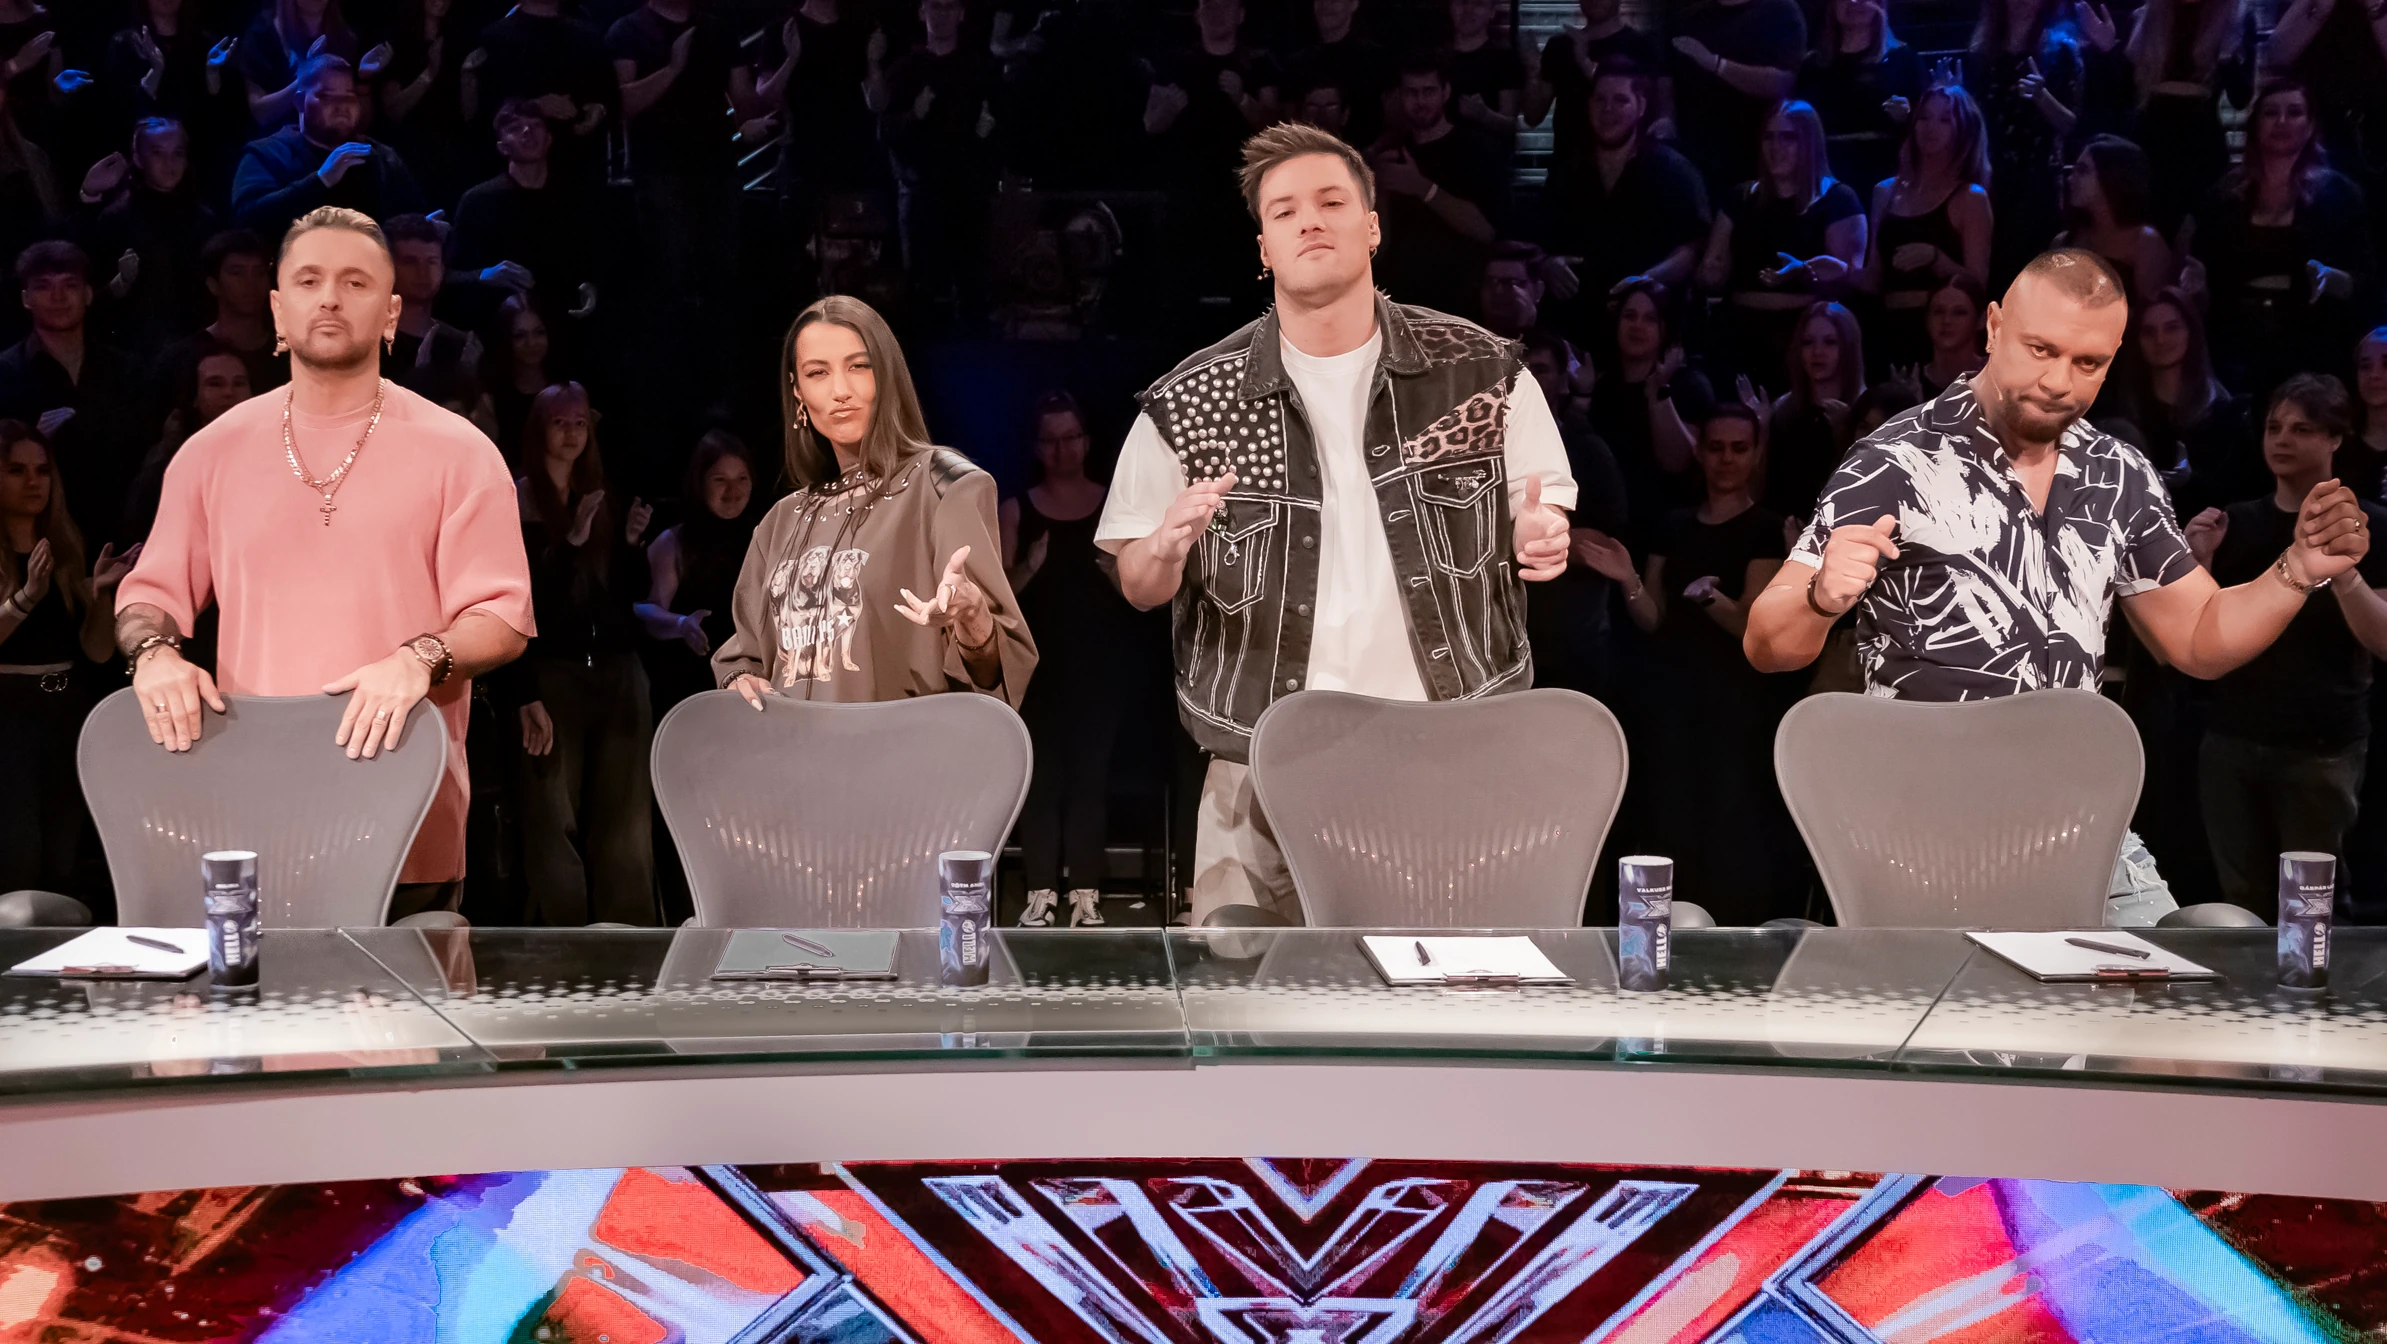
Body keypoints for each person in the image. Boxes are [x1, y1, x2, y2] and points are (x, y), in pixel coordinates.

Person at [1745, 248, 2373, 925]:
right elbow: (1764, 642)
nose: (2057, 382)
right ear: (1993, 327)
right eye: (2040, 350)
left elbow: (2196, 637)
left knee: (2185, 966)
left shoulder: (2117, 472)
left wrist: (2296, 570)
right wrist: (1819, 599)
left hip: (2081, 827)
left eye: (2087, 363)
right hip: (1927, 829)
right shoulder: (1894, 461)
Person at [1095, 122, 1579, 921]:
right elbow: (1138, 583)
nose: (1309, 222)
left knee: (1444, 980)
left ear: (1372, 226)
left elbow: (1540, 506)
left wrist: (1538, 533)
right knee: (1246, 985)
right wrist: (1164, 549)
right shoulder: (1194, 402)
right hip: (1260, 759)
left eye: (1330, 202)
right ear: (1263, 248)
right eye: (1284, 212)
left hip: (1446, 747)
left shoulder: (1478, 372)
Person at [114, 205, 534, 918]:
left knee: (405, 994)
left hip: (404, 809)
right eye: (308, 281)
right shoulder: (211, 453)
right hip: (253, 815)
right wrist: (154, 654)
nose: (331, 298)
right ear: (278, 309)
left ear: (392, 312)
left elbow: (503, 618)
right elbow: (147, 595)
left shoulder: (460, 453)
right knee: (257, 995)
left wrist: (419, 658)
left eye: (355, 282)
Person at [714, 295, 1035, 711]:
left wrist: (973, 619)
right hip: (793, 748)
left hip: (900, 746)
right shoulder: (781, 521)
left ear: (886, 374)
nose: (841, 391)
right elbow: (744, 656)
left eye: (858, 366)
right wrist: (739, 679)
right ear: (798, 392)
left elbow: (996, 675)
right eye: (818, 373)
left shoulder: (941, 486)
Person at [1578, 403, 1792, 921]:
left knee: (1728, 821)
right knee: (1668, 816)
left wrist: (1708, 598)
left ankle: (1731, 945)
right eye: (1716, 447)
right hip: (1670, 696)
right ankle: (1658, 939)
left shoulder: (1765, 528)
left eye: (1739, 448)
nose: (1726, 459)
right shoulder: (1672, 525)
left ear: (1756, 453)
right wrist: (1628, 579)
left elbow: (1751, 626)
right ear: (1699, 451)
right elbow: (1653, 617)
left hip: (1735, 702)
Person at [2182, 374, 2387, 913]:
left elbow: (2382, 638)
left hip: (2322, 744)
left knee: (2311, 903)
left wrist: (2344, 573)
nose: (2282, 439)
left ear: (2335, 438)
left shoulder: (2369, 526)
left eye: (2302, 429)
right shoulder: (2234, 523)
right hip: (2233, 737)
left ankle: (2318, 975)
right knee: (2241, 902)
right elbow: (2198, 631)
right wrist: (2199, 559)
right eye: (2274, 427)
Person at [509, 381, 655, 927]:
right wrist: (569, 543)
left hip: (615, 667)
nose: (571, 433)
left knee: (625, 820)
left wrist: (632, 546)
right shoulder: (518, 500)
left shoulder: (599, 495)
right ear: (539, 429)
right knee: (553, 817)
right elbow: (522, 603)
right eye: (560, 422)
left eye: (579, 423)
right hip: (552, 673)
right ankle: (563, 942)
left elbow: (624, 596)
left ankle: (628, 942)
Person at [1003, 392, 1136, 928]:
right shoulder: (1018, 508)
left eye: (1070, 437)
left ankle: (1085, 891)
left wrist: (1114, 572)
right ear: (1038, 447)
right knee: (1040, 778)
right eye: (1051, 440)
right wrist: (1030, 567)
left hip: (1101, 669)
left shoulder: (1112, 504)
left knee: (1089, 777)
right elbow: (996, 600)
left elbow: (1143, 594)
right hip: (1037, 671)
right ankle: (1040, 892)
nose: (1062, 449)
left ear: (1086, 441)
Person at [0, 426, 135, 904]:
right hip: (8, 714)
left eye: (42, 471)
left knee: (63, 854)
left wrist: (101, 596)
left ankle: (59, 946)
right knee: (18, 850)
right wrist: (25, 598)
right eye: (15, 470)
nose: (33, 482)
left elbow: (97, 652)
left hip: (66, 710)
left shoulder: (64, 543)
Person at [2186, 80, 2373, 401]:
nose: (2282, 121)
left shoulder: (2341, 195)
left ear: (2310, 125)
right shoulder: (2224, 195)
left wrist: (2331, 278)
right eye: (2271, 112)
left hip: (2312, 344)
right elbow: (2202, 271)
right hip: (2235, 346)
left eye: (2294, 112)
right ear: (2255, 124)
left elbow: (2367, 279)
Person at [1538, 61, 1709, 340]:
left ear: (1641, 107)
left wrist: (1645, 282)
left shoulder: (1675, 172)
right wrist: (1547, 264)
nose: (1608, 109)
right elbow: (1539, 239)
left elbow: (1693, 248)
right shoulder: (1567, 172)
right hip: (1576, 324)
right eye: (1600, 99)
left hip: (1648, 325)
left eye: (1620, 100)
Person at [1697, 99, 1865, 384]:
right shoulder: (1741, 197)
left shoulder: (1838, 200)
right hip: (1739, 330)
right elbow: (1711, 270)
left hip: (1803, 334)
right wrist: (1710, 273)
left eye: (1788, 138)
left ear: (1810, 143)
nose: (1776, 147)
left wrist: (1806, 271)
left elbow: (1852, 279)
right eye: (1769, 137)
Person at [0, 241, 139, 550]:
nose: (58, 296)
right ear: (25, 298)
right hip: (36, 540)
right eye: (43, 286)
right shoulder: (6, 372)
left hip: (124, 533)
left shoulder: (126, 369)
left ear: (88, 294)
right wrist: (31, 444)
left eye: (70, 285)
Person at [877, 0, 998, 321]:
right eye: (935, 7)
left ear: (962, 13)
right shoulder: (904, 70)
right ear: (921, 12)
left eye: (948, 7)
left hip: (967, 194)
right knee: (921, 292)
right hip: (920, 195)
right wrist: (914, 115)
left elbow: (1002, 128)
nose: (941, 15)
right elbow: (885, 132)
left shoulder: (980, 69)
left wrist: (987, 133)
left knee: (972, 291)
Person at [1858, 83, 1993, 369]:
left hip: (1943, 333)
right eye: (1924, 117)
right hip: (1888, 327)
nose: (1931, 127)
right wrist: (1837, 272)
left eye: (1944, 120)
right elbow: (1873, 276)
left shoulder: (1970, 198)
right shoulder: (1885, 192)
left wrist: (1936, 259)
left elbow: (1976, 285)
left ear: (1964, 129)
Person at [446, 99, 600, 341]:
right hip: (502, 328)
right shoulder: (479, 201)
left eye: (536, 125)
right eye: (515, 128)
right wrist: (485, 275)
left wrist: (591, 285)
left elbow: (594, 256)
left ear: (549, 139)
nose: (528, 131)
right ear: (502, 147)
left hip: (566, 324)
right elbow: (451, 274)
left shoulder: (575, 196)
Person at [230, 55, 425, 241]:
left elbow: (412, 218)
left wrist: (428, 227)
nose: (341, 105)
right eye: (326, 96)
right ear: (300, 102)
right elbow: (247, 219)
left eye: (349, 96)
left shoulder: (381, 157)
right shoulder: (268, 154)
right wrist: (321, 180)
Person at [1370, 57, 1506, 320]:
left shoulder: (1478, 149)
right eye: (1411, 92)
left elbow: (1487, 231)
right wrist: (1381, 190)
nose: (1420, 101)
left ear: (1446, 92)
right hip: (1400, 300)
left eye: (1429, 91)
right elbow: (1378, 244)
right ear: (1399, 96)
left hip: (1460, 301)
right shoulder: (1391, 151)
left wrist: (1422, 187)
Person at [2102, 284, 2251, 514]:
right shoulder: (2122, 411)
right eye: (2149, 332)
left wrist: (2191, 481)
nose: (2160, 339)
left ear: (2191, 332)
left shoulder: (2224, 412)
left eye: (2172, 328)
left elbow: (2237, 491)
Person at [636, 429, 756, 712]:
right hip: (692, 688)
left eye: (742, 478)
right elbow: (644, 610)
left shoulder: (763, 536)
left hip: (752, 685)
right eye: (720, 480)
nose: (734, 491)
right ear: (699, 483)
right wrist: (681, 624)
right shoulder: (675, 541)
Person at [79, 117, 217, 356]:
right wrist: (119, 285)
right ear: (138, 158)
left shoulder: (205, 220)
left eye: (177, 153)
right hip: (133, 350)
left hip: (196, 347)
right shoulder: (115, 219)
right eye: (157, 153)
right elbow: (92, 294)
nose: (169, 163)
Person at [1968, 0, 2083, 286]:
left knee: (2034, 271)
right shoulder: (1981, 52)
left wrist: (2042, 97)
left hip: (2036, 178)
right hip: (1988, 176)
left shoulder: (2061, 51)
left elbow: (2070, 124)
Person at [1590, 278, 1706, 534]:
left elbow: (1678, 463)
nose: (1637, 326)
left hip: (1668, 525)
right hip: (1609, 522)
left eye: (1650, 319)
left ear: (1666, 329)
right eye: (1630, 316)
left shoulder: (1687, 384)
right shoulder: (1605, 387)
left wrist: (1659, 391)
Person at [2122, 0, 2249, 235]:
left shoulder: (2234, 19)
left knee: (2202, 234)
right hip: (2151, 141)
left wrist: (2227, 59)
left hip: (2201, 143)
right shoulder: (2148, 16)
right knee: (2148, 232)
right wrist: (2108, 50)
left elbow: (2241, 97)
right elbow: (2125, 93)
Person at [1669, 0, 1807, 195]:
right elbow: (1666, 75)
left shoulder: (1780, 11)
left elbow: (1782, 80)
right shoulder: (1691, 16)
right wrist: (1665, 117)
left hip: (1755, 156)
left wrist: (1718, 65)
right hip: (1696, 156)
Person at [120, 339, 252, 543]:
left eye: (239, 383)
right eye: (215, 383)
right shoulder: (167, 470)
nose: (229, 392)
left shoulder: (275, 456)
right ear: (194, 397)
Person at [148, 229, 283, 423]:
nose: (251, 282)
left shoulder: (290, 356)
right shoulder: (180, 359)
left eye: (259, 272)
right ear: (213, 285)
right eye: (237, 273)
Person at [1522, 0, 1662, 179]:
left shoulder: (1640, 46)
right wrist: (1533, 71)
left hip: (1624, 176)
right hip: (1567, 174)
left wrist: (1586, 64)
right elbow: (1532, 116)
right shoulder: (1561, 46)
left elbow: (1652, 114)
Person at [1797, 0, 1921, 197]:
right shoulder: (1812, 65)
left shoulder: (1903, 60)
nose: (1855, 1)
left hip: (1884, 175)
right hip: (1827, 176)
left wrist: (1907, 117)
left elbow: (1924, 122)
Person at [1765, 299, 1866, 520]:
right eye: (1808, 342)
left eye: (1830, 342)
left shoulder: (1865, 411)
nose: (1817, 352)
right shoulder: (1782, 411)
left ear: (1848, 347)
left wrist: (1845, 434)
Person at [2057, 135, 2173, 303]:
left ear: (2112, 177)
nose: (2070, 179)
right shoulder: (2065, 240)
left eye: (2082, 170)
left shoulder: (2145, 242)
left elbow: (2155, 313)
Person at [236, 0, 368, 129]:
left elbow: (364, 119)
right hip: (281, 137)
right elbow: (261, 114)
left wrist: (364, 78)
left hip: (334, 136)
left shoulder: (347, 36)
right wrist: (306, 78)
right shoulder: (262, 35)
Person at [381, 213, 478, 389]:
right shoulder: (368, 340)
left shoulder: (459, 344)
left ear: (442, 268)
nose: (423, 273)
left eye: (431, 262)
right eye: (410, 262)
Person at [478, 292, 552, 469]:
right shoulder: (491, 397)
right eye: (520, 336)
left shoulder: (566, 385)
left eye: (539, 333)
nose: (531, 343)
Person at [1440, 0, 1524, 149]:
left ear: (1492, 12)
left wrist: (1484, 114)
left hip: (1488, 155)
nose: (1468, 10)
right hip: (1439, 155)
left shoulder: (1504, 59)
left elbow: (1510, 125)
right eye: (1461, 2)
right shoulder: (1436, 58)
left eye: (1478, 4)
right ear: (1450, 7)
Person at [1914, 271, 1987, 394]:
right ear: (1927, 318)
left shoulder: (2000, 379)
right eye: (1939, 311)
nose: (1946, 320)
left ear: (1981, 320)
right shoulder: (1908, 381)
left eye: (1959, 312)